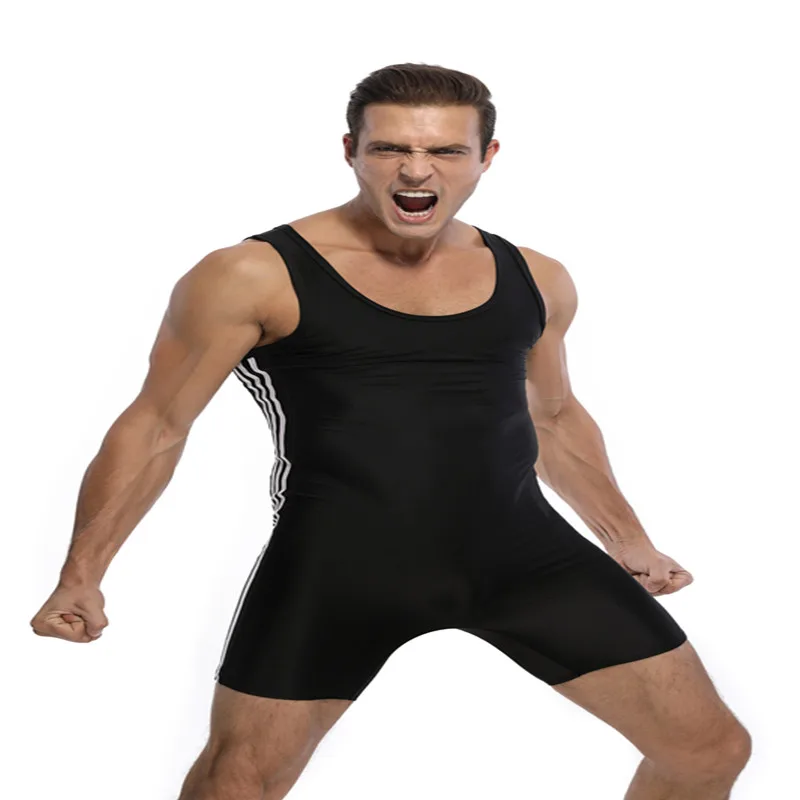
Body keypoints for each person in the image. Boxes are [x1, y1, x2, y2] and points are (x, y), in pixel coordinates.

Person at [30, 62, 751, 800]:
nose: (416, 170)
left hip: (526, 560)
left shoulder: (535, 277)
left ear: (486, 157)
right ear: (351, 151)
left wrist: (628, 540)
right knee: (237, 785)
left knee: (710, 750)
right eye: (390, 148)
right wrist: (81, 575)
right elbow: (157, 425)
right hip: (339, 569)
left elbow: (554, 417)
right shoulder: (253, 274)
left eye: (444, 150)